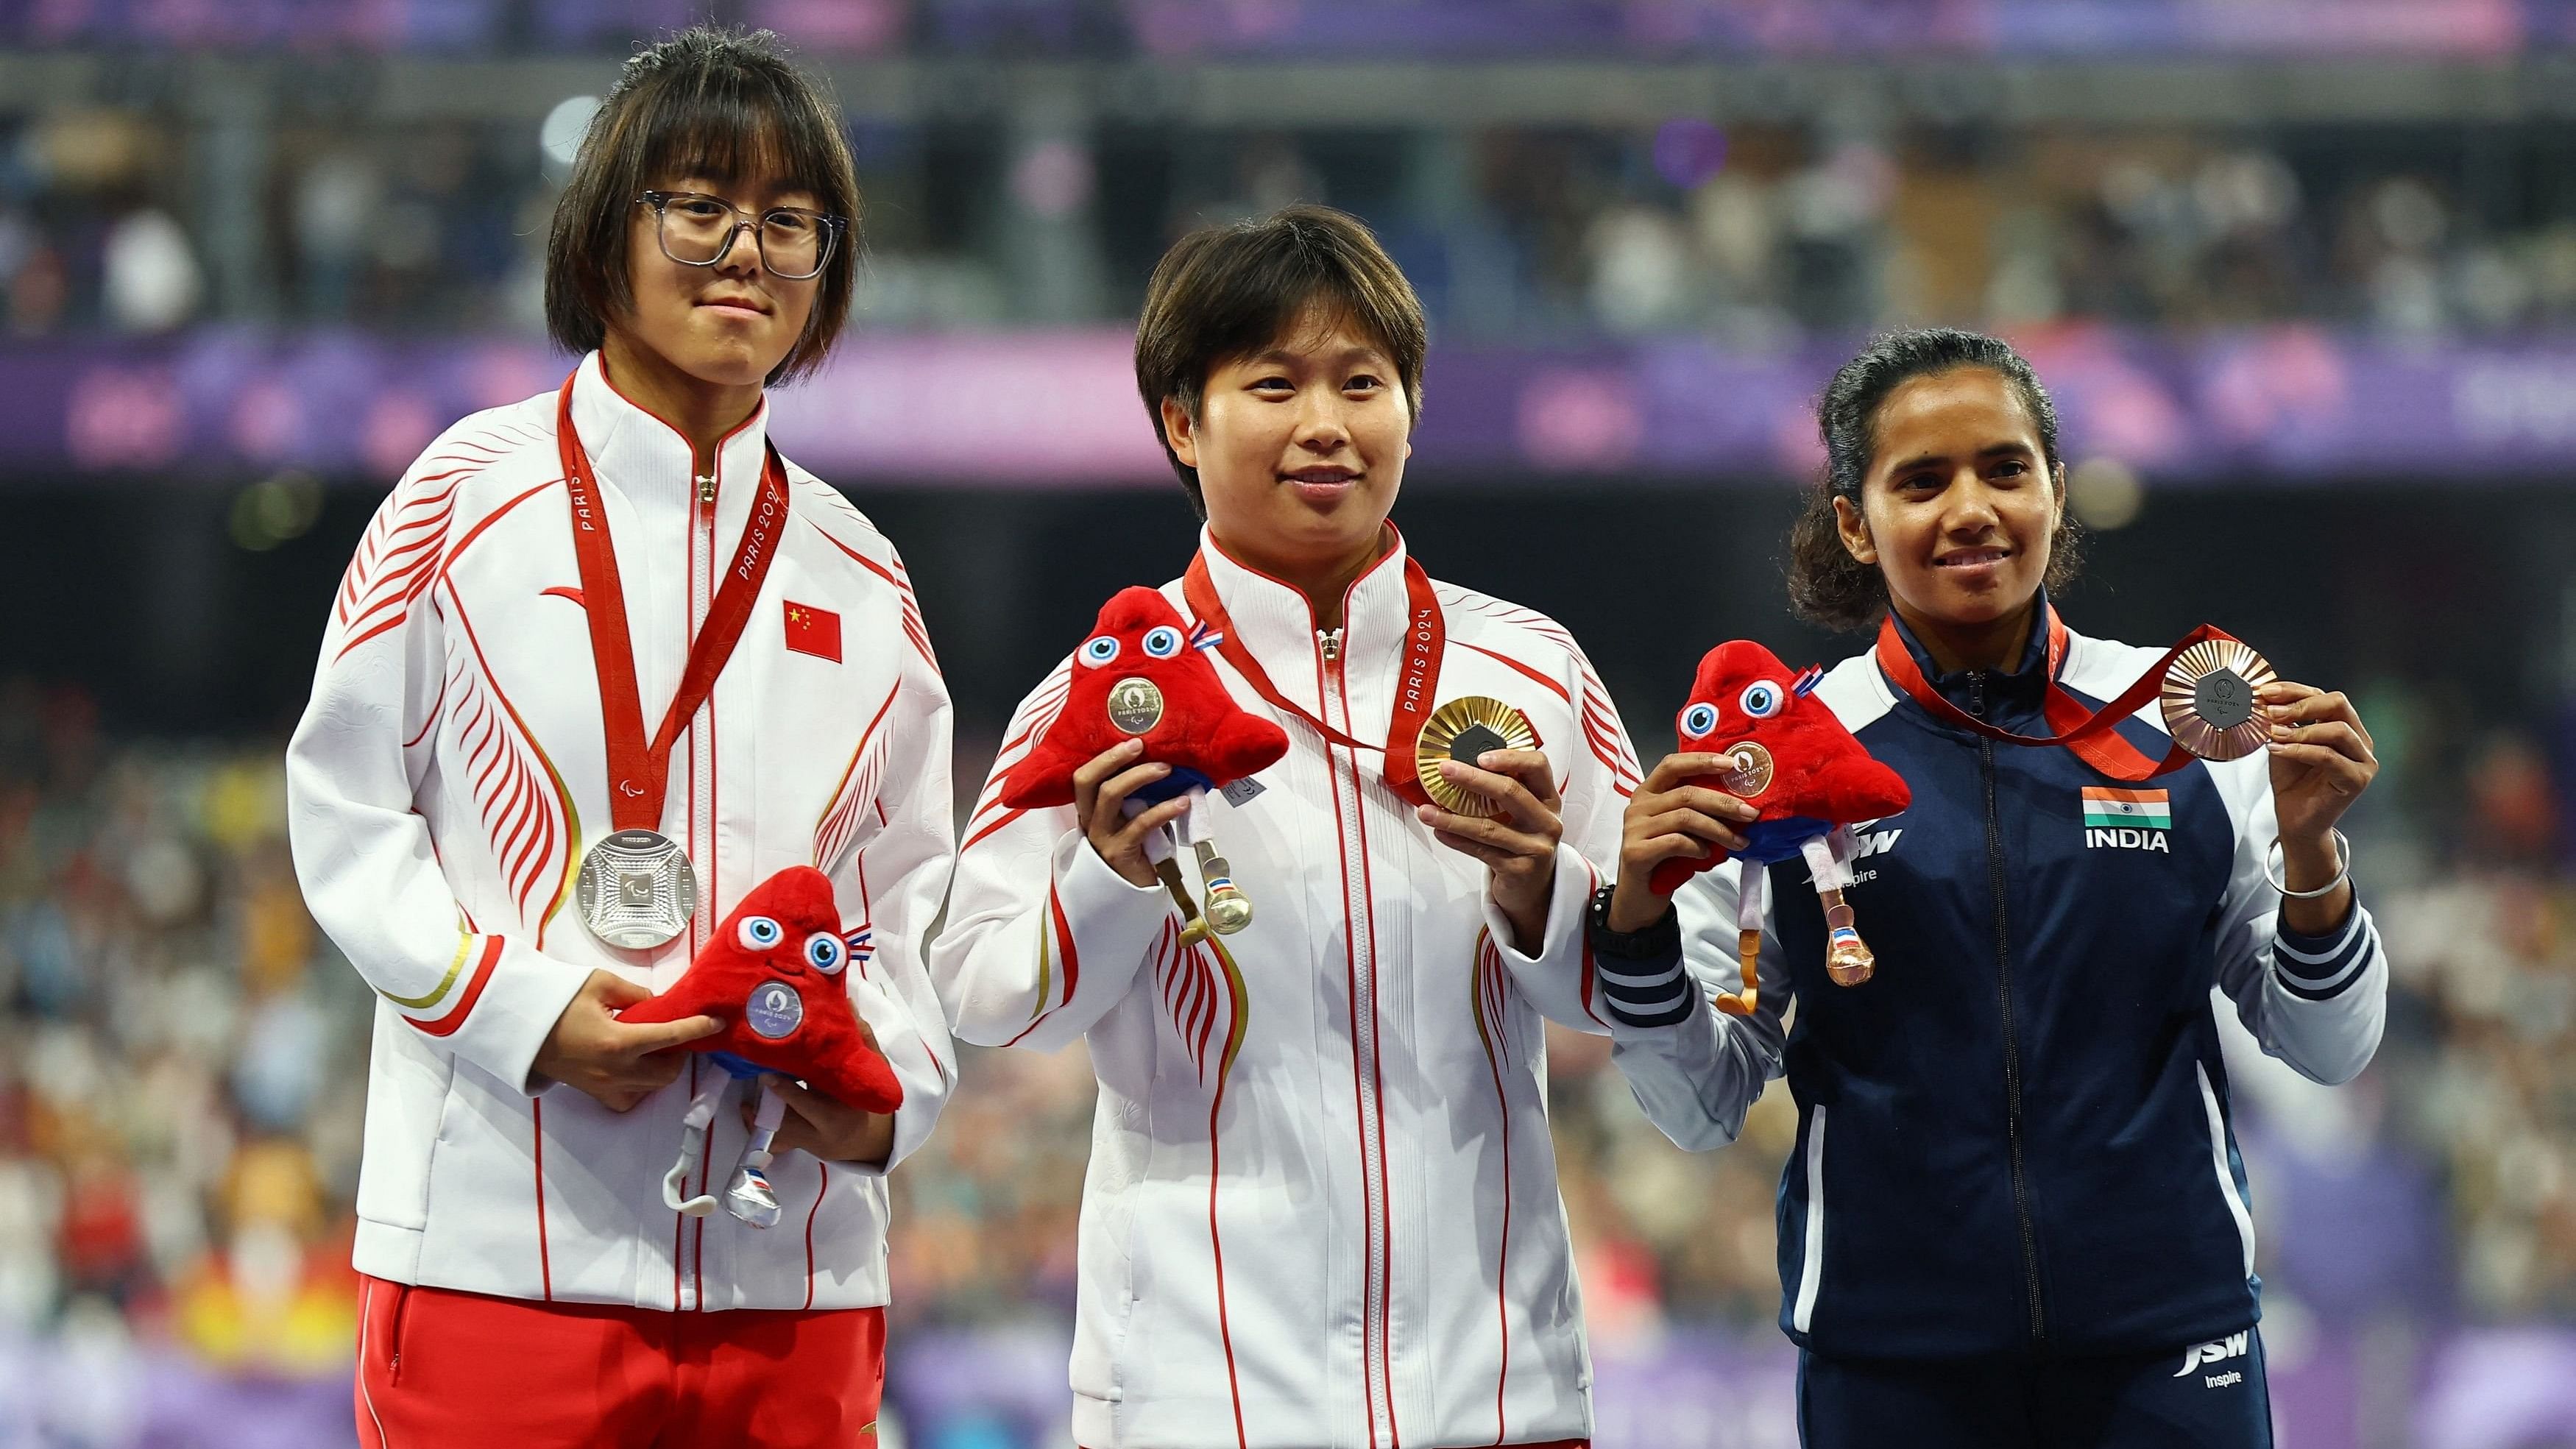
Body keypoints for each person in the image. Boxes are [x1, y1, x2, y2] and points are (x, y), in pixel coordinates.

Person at [284, 28, 955, 1447]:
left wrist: (888, 1103)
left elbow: (913, 909)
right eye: (700, 204)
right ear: (605, 234)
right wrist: (520, 1013)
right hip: (495, 1253)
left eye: (790, 221)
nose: (745, 250)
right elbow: (343, 812)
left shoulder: (862, 571)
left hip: (796, 1276)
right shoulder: (459, 497)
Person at [1589, 327, 2387, 1447]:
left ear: (2058, 491)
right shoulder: (1780, 770)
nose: (1971, 507)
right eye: (1922, 479)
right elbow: (1697, 1103)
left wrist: (2313, 857)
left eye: (2005, 468)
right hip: (1891, 1360)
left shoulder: (2186, 727)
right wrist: (1634, 924)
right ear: (1855, 522)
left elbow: (2330, 1049)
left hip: (2171, 1346)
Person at [930, 205, 1641, 1449]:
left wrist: (1547, 894)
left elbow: (1656, 994)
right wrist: (1109, 873)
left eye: (1362, 382)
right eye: (1273, 383)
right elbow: (989, 998)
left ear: (1411, 409)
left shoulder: (1534, 671)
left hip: (1499, 1392)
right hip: (1201, 1399)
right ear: (1180, 422)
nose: (1325, 423)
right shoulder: (1101, 699)